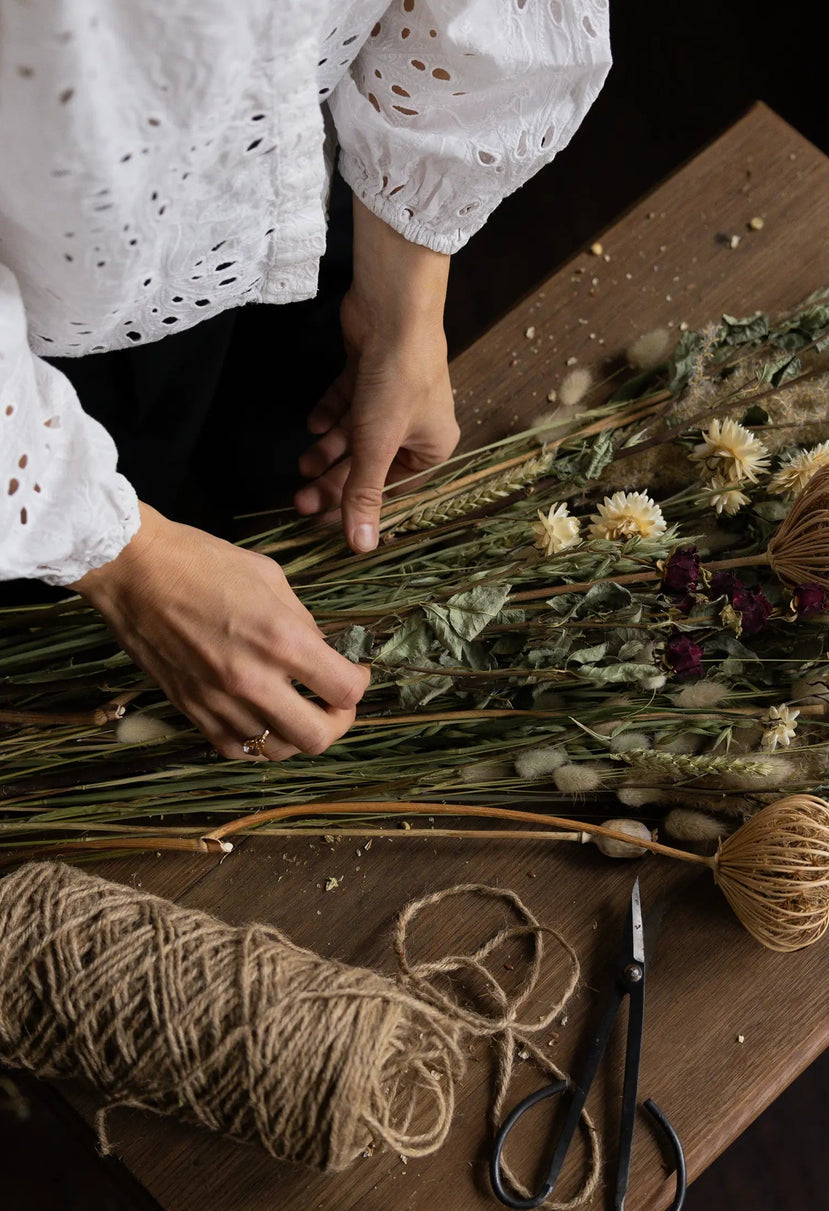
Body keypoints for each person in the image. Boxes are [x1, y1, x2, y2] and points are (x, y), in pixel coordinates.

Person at [0, 0, 611, 761]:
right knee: (52, 654)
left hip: (275, 190)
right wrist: (123, 560)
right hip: (32, 343)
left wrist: (407, 295)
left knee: (287, 455)